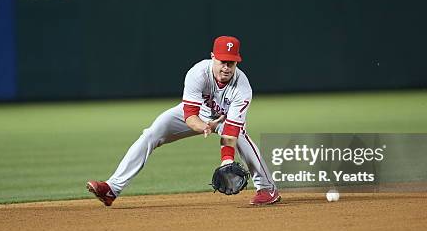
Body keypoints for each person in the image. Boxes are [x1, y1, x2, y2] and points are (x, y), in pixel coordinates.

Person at [87, 36, 281, 206]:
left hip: (225, 120)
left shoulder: (242, 87)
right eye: (223, 61)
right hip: (197, 116)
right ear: (213, 57)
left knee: (241, 138)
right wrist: (203, 126)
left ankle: (267, 189)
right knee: (152, 133)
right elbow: (189, 115)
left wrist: (227, 160)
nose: (227, 67)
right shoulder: (197, 73)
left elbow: (231, 129)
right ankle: (112, 188)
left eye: (232, 62)